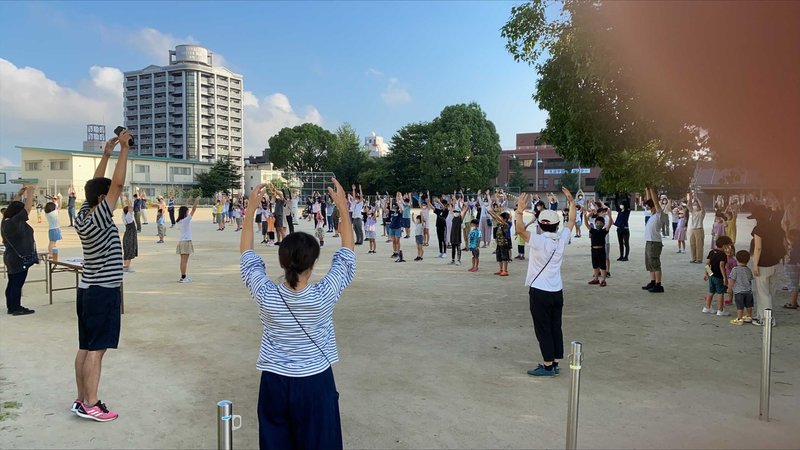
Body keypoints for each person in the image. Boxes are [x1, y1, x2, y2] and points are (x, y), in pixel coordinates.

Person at [240, 179, 355, 450]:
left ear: (282, 261)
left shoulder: (267, 294)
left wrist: (251, 210)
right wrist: (342, 208)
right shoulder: (324, 295)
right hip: (315, 381)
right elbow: (347, 254)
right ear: (313, 263)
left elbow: (247, 255)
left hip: (274, 381)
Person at [72, 130, 131, 422]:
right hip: (102, 290)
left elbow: (93, 187)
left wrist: (106, 154)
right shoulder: (99, 217)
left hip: (86, 289)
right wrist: (124, 149)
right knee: (96, 349)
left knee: (85, 346)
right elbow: (116, 184)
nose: (115, 198)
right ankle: (91, 404)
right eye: (108, 195)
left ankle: (82, 399)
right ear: (102, 198)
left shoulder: (83, 213)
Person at [516, 187, 575, 377]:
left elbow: (519, 230)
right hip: (557, 290)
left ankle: (548, 365)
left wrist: (519, 210)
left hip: (540, 291)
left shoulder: (538, 241)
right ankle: (555, 361)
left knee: (543, 329)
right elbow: (572, 220)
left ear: (541, 225)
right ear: (557, 225)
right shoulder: (561, 238)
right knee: (555, 326)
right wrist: (571, 202)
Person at [2, 184, 37, 316]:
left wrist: (19, 195)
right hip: (19, 258)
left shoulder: (6, 220)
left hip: (11, 257)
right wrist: (30, 194)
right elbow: (27, 209)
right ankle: (15, 308)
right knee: (17, 283)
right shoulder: (14, 223)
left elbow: (14, 208)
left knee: (12, 282)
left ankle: (12, 305)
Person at [750, 205, 786, 326]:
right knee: (770, 293)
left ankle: (768, 320)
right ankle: (761, 316)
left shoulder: (758, 229)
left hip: (763, 264)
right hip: (775, 262)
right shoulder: (776, 227)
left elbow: (758, 248)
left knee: (763, 293)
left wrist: (755, 264)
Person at [641, 186, 665, 293]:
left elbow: (655, 202)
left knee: (655, 263)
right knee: (649, 263)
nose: (651, 208)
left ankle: (658, 284)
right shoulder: (652, 215)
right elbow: (650, 201)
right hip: (649, 241)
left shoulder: (659, 214)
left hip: (655, 242)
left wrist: (651, 189)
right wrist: (647, 189)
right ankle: (652, 281)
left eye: (652, 207)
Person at [702, 236, 733, 316]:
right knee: (720, 293)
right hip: (719, 276)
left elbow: (707, 264)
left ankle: (707, 307)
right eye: (728, 246)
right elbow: (721, 266)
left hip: (712, 275)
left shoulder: (712, 252)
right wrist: (724, 278)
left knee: (711, 291)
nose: (728, 248)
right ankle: (720, 310)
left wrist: (707, 273)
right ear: (724, 245)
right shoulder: (723, 255)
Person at [176, 196, 201, 283]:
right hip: (186, 242)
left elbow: (185, 209)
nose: (188, 212)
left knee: (182, 260)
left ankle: (183, 276)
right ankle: (183, 277)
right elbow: (193, 210)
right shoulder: (186, 221)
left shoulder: (180, 221)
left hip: (182, 241)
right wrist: (196, 201)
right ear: (185, 213)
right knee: (184, 261)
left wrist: (188, 200)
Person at [586, 207, 613, 287]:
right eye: (597, 223)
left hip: (601, 250)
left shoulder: (604, 231)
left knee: (602, 265)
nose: (598, 224)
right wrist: (584, 215)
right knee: (595, 265)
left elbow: (609, 224)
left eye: (600, 223)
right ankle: (596, 279)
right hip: (593, 250)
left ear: (603, 224)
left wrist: (610, 216)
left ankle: (603, 280)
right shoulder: (593, 230)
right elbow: (586, 224)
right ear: (595, 224)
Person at [728, 250, 754, 325]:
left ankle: (739, 318)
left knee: (740, 306)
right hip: (748, 291)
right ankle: (749, 316)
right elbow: (750, 278)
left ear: (737, 259)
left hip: (739, 291)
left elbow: (732, 280)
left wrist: (729, 288)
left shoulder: (735, 269)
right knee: (749, 305)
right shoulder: (748, 270)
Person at [488, 209, 512, 276]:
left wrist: (494, 213)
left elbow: (498, 219)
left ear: (504, 219)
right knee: (499, 257)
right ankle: (501, 269)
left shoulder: (506, 225)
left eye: (501, 217)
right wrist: (491, 214)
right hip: (499, 243)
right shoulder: (500, 224)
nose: (499, 218)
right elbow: (496, 219)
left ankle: (505, 270)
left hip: (504, 243)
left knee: (504, 257)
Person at [783, 229, 800, 309]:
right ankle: (794, 301)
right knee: (796, 285)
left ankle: (792, 302)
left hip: (793, 265)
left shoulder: (794, 246)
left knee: (794, 285)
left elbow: (788, 240)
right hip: (796, 265)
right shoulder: (796, 245)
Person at [120, 194, 138, 272]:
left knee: (126, 252)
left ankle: (125, 267)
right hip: (130, 235)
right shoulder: (129, 216)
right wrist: (127, 198)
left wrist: (121, 198)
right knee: (130, 252)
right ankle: (127, 268)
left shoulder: (124, 215)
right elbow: (130, 207)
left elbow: (124, 207)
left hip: (127, 235)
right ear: (129, 211)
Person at [688, 191, 705, 263]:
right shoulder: (692, 212)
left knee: (699, 245)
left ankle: (699, 259)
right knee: (692, 244)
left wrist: (697, 198)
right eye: (694, 204)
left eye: (696, 205)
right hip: (692, 229)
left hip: (699, 229)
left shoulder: (701, 212)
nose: (694, 206)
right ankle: (693, 258)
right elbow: (688, 205)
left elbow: (702, 206)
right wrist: (690, 197)